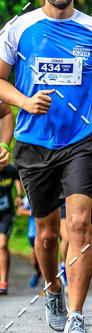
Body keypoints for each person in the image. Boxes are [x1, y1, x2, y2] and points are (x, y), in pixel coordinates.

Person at [0, 0, 92, 333]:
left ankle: (77, 317)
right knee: (47, 235)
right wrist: (24, 102)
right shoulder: (18, 30)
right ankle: (53, 289)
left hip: (81, 141)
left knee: (80, 224)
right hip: (34, 143)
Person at [0, 103, 21, 294]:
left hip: (5, 212)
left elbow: (6, 112)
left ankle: (3, 282)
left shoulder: (9, 169)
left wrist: (19, 196)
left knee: (2, 244)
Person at [16, 194, 41, 288]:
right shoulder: (30, 195)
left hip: (45, 231)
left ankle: (51, 281)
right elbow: (20, 211)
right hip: (33, 233)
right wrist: (35, 213)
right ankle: (38, 273)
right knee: (34, 262)